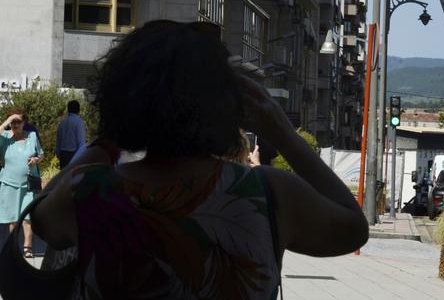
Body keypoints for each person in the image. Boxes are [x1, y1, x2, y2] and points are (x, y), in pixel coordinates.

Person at [32, 20, 368, 299]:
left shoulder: (89, 191)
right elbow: (353, 229)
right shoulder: (266, 194)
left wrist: (110, 138)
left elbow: (43, 219)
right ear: (226, 101)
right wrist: (282, 133)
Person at [0, 108, 44, 258]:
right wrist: (6, 122)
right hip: (10, 183)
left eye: (18, 121)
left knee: (27, 217)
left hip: (28, 184)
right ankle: (13, 247)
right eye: (13, 122)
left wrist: (36, 160)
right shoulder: (5, 137)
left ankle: (27, 247)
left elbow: (41, 153)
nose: (15, 124)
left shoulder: (31, 136)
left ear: (24, 122)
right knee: (13, 218)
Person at [55, 100, 86, 168]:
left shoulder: (62, 123)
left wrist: (58, 154)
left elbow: (58, 141)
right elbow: (81, 142)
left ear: (68, 109)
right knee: (74, 177)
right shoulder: (79, 122)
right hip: (74, 155)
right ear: (78, 110)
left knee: (64, 177)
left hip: (63, 155)